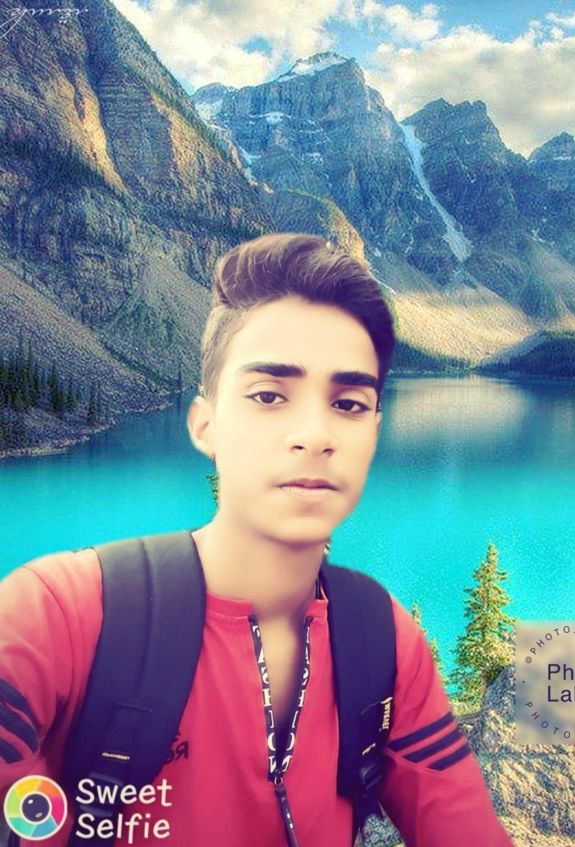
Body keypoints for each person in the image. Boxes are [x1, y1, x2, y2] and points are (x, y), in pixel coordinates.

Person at [0, 234, 514, 846]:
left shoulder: (384, 640)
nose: (314, 434)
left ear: (375, 431)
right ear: (205, 425)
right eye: (269, 396)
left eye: (349, 404)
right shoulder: (57, 614)